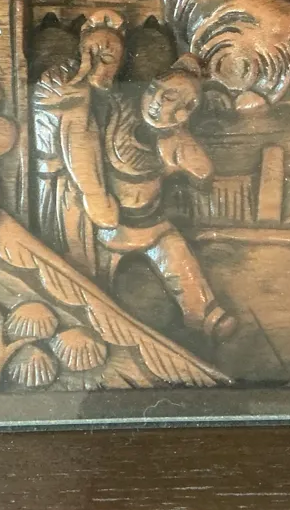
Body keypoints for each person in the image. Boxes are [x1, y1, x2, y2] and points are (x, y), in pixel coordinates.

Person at [98, 55, 238, 341]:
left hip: (153, 225)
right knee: (95, 280)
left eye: (169, 97)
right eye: (153, 89)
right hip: (109, 228)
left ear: (184, 112)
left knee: (177, 256)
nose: (156, 100)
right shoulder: (119, 111)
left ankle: (205, 314)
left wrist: (178, 149)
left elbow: (203, 174)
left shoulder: (175, 140)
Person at [31, 11, 126, 277]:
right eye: (99, 56)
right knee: (73, 254)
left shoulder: (74, 83)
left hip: (62, 179)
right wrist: (96, 197)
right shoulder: (68, 85)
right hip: (61, 183)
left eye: (110, 59)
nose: (103, 66)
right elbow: (77, 140)